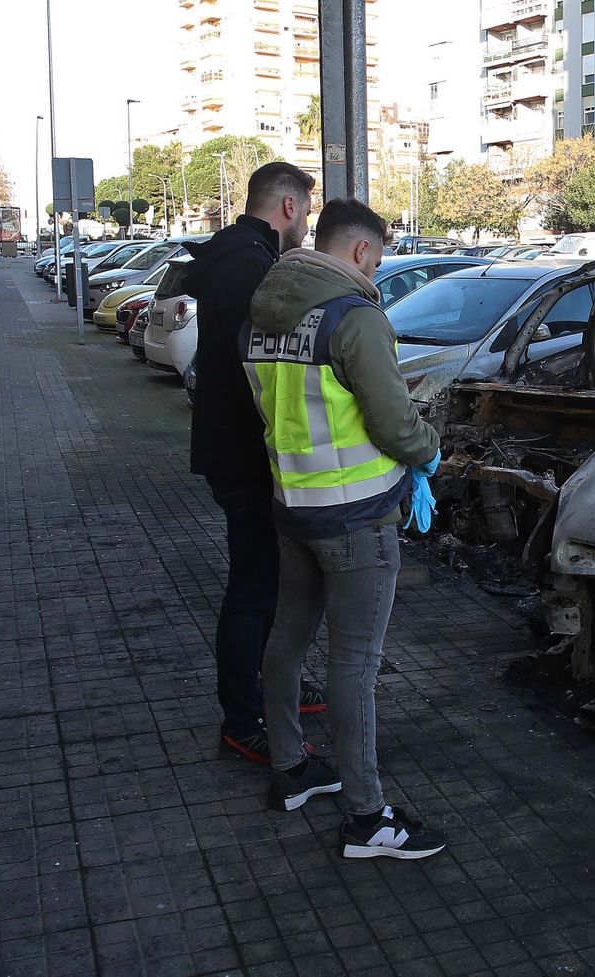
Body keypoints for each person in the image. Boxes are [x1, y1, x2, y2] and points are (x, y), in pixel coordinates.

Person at [242, 198, 446, 859]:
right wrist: (428, 447)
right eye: (380, 260)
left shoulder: (264, 313)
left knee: (288, 639)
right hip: (357, 518)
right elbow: (393, 423)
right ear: (360, 251)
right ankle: (367, 817)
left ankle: (291, 768)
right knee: (354, 665)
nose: (379, 272)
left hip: (292, 506)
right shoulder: (353, 316)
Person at [182, 161, 323, 764]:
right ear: (288, 207)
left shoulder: (236, 252)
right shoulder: (251, 264)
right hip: (243, 453)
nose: (307, 223)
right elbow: (262, 366)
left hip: (234, 448)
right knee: (254, 589)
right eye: (307, 212)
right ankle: (243, 718)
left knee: (268, 584)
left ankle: (269, 687)